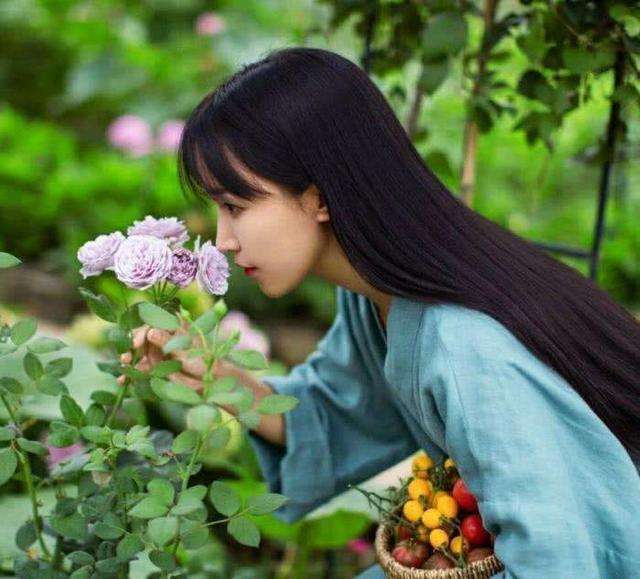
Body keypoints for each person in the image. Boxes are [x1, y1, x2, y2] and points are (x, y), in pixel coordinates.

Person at [121, 47, 640, 578]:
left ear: (318, 197)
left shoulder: (465, 346)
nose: (223, 240)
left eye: (235, 206)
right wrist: (213, 375)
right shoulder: (382, 293)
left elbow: (558, 560)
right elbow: (338, 414)